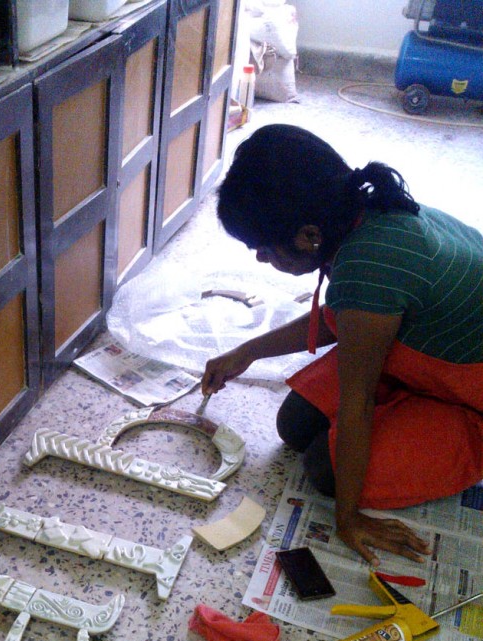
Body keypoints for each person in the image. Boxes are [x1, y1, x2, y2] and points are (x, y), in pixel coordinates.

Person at [201, 124, 483, 566]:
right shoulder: (359, 211)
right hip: (426, 350)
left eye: (262, 247)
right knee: (295, 423)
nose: (260, 258)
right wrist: (247, 351)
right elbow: (345, 317)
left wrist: (348, 519)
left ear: (308, 235)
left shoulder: (370, 266)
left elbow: (358, 404)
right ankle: (409, 407)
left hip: (471, 393)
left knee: (323, 467)